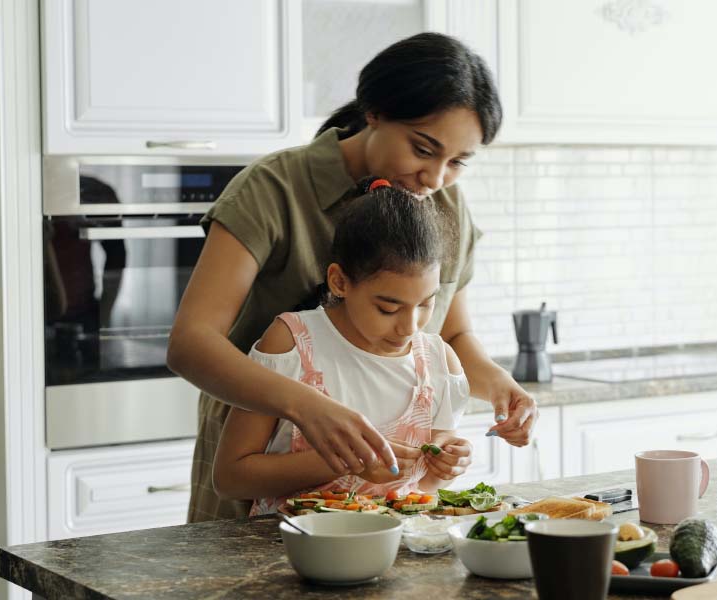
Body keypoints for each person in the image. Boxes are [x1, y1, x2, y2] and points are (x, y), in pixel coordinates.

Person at [168, 31, 539, 522]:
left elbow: (450, 333)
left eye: (457, 162)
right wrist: (307, 407)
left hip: (383, 503)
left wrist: (498, 385)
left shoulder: (445, 205)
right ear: (374, 112)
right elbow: (191, 343)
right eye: (423, 149)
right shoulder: (273, 188)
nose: (436, 177)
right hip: (261, 467)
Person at [214, 178, 470, 514]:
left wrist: (446, 467)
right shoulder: (291, 344)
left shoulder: (438, 363)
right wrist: (345, 462)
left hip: (396, 552)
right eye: (388, 308)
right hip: (289, 552)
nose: (410, 326)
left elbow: (425, 488)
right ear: (339, 281)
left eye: (426, 304)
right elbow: (230, 478)